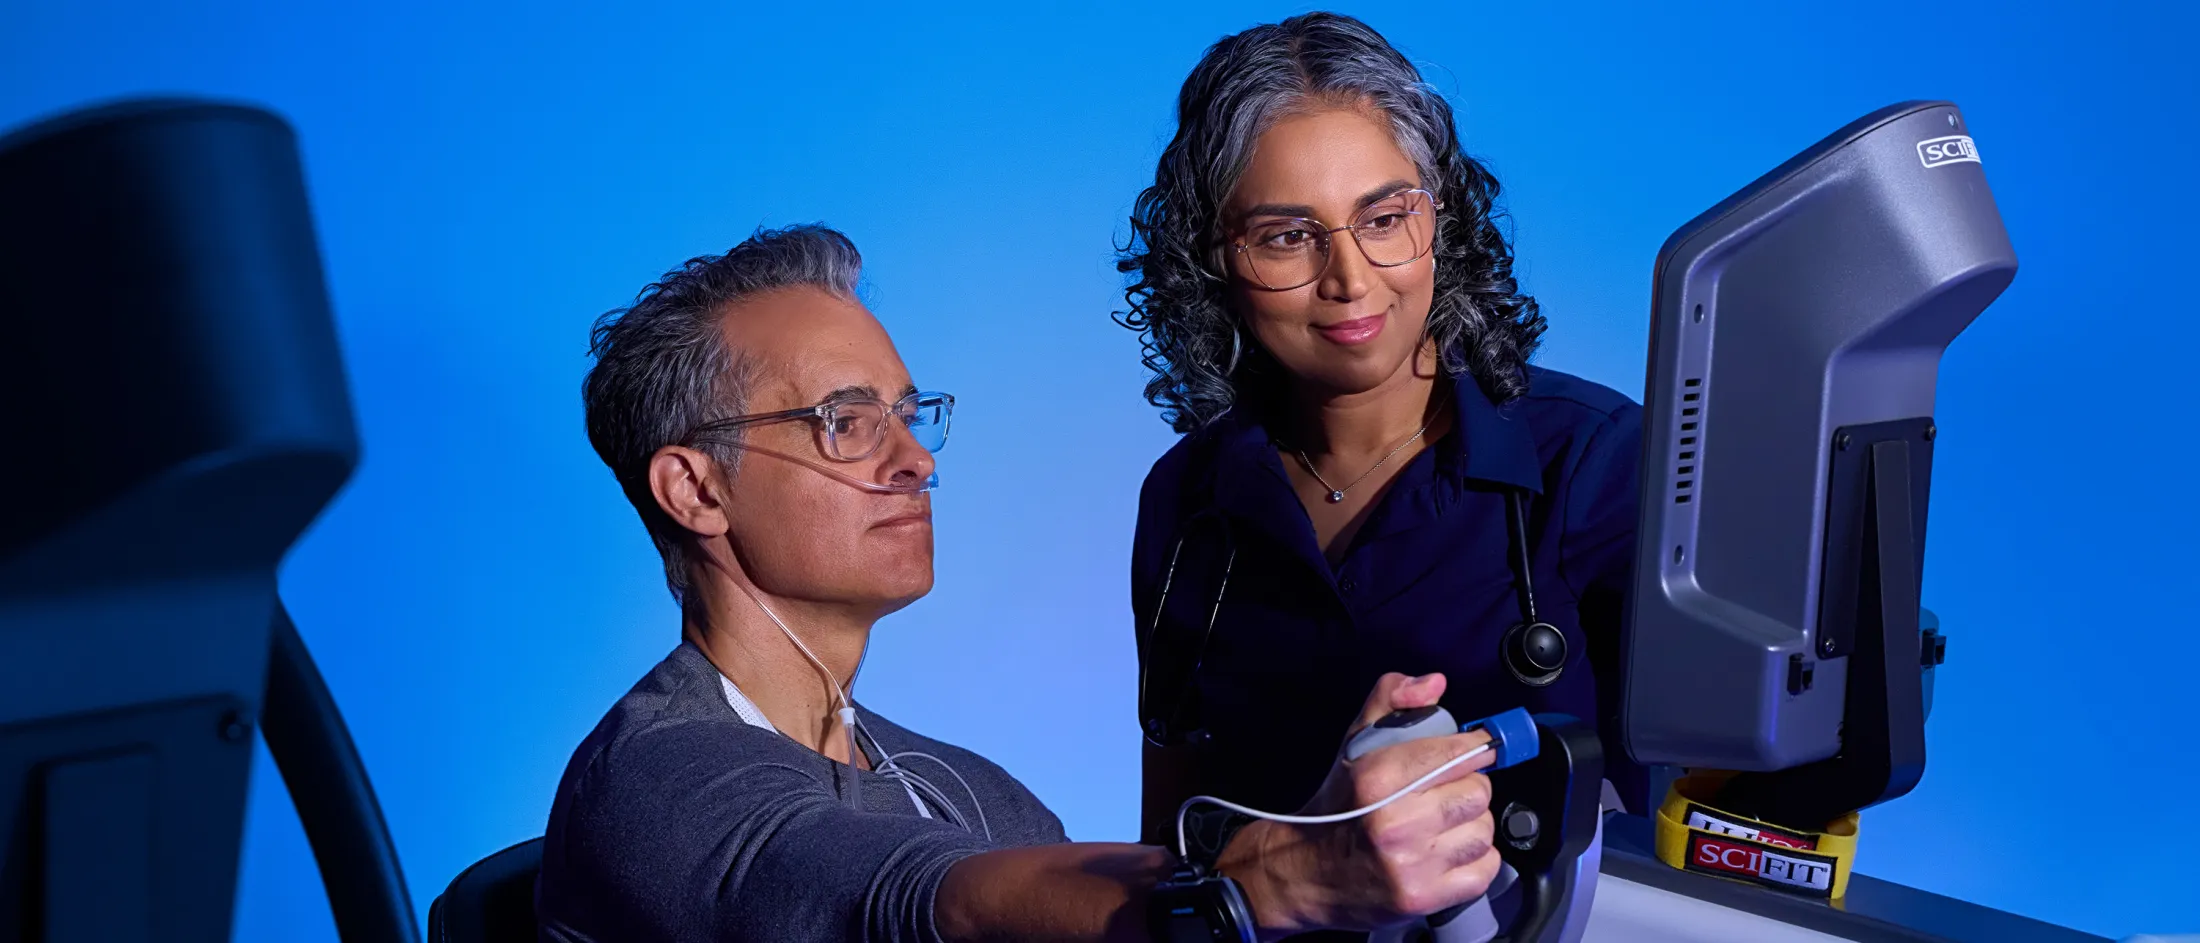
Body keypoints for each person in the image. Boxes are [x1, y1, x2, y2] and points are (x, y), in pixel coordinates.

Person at [537, 224, 1511, 943]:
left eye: (909, 413)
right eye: (845, 419)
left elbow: (1126, 904)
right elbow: (899, 895)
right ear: (695, 487)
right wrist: (1285, 877)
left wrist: (1312, 831)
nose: (914, 458)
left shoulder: (980, 797)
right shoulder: (660, 781)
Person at [1116, 10, 1649, 866]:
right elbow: (1172, 843)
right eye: (1287, 237)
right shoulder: (1186, 500)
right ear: (1211, 257)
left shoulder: (1597, 462)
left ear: (1441, 217)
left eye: (1384, 218)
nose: (1351, 279)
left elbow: (1708, 815)